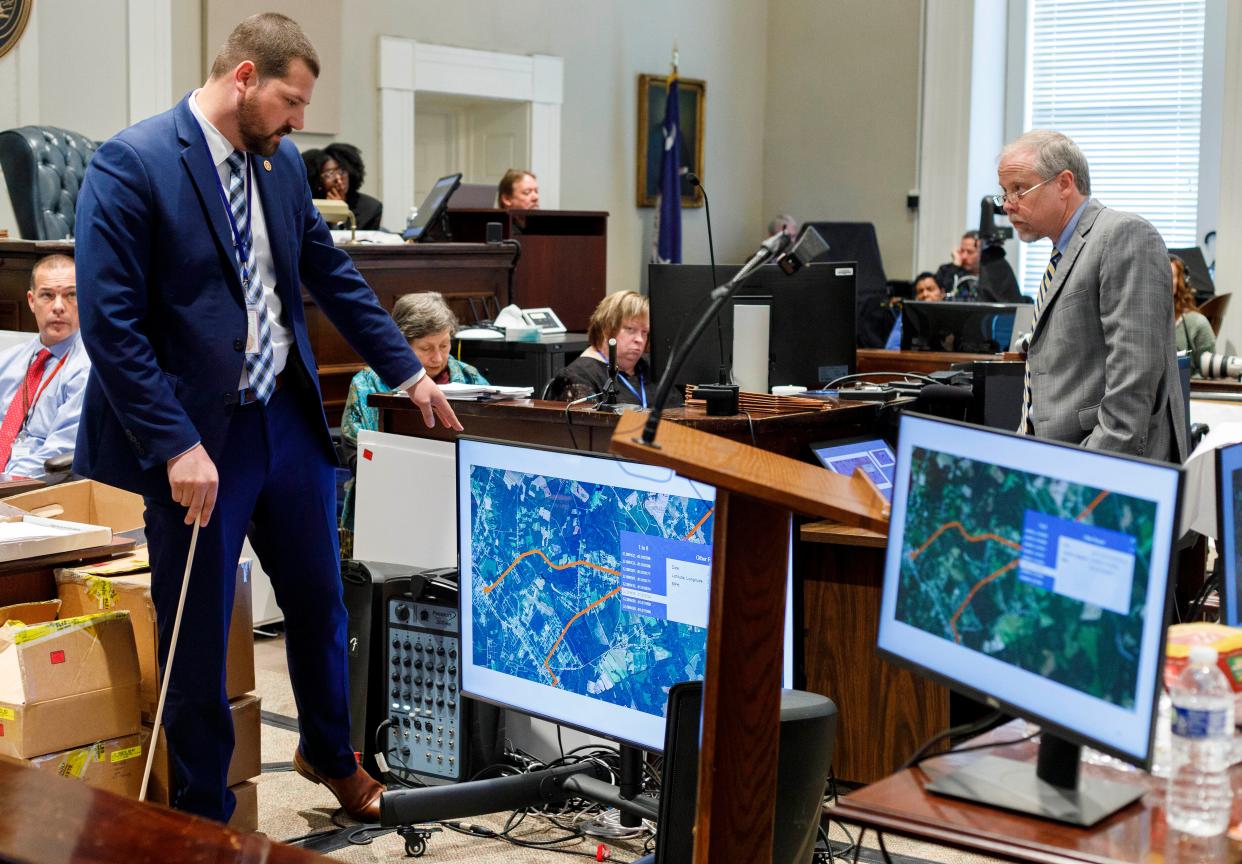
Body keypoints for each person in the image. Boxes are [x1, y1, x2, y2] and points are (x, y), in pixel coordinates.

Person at [73, 13, 462, 825]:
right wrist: (175, 441)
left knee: (321, 602)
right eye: (290, 102)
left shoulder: (280, 168)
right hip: (196, 437)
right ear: (244, 77)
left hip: (282, 422)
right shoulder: (134, 162)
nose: (297, 125)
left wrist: (405, 369)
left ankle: (329, 753)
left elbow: (331, 272)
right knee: (204, 635)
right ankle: (205, 811)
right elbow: (110, 324)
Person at [998, 129, 1186, 461]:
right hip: (1059, 459)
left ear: (1064, 183)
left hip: (1106, 468)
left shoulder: (1124, 235)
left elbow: (1134, 379)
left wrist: (1092, 471)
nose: (1008, 205)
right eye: (1004, 192)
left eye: (1020, 189)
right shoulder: (1063, 253)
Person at [339, 292, 487, 541]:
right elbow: (356, 452)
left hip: (456, 505)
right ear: (401, 344)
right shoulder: (367, 383)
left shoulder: (470, 377)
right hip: (388, 505)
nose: (437, 358)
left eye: (444, 345)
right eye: (426, 348)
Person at [0, 254, 91, 477]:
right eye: (47, 296)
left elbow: (59, 454)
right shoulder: (8, 360)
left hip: (33, 486)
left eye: (71, 295)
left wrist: (6, 481)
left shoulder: (87, 369)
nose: (58, 306)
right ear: (31, 301)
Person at [548, 291, 668, 407]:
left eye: (644, 332)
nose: (640, 339)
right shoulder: (578, 376)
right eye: (630, 329)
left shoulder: (653, 367)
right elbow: (585, 425)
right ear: (606, 329)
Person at [302, 142, 382, 230]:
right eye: (329, 174)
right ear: (317, 180)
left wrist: (339, 217)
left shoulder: (370, 208)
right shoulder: (309, 206)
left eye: (342, 171)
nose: (339, 180)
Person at [1171, 254, 1215, 367]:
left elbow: (1209, 374)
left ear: (1181, 282)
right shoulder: (1144, 324)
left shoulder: (1198, 324)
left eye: (1170, 276)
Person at [885, 272, 941, 350]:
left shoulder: (952, 314)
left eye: (930, 289)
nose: (925, 294)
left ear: (942, 292)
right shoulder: (907, 315)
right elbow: (891, 348)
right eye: (920, 291)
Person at [934, 231, 981, 297]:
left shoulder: (989, 275)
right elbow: (942, 294)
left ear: (982, 254)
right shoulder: (945, 270)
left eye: (970, 252)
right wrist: (955, 267)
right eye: (962, 250)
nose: (964, 256)